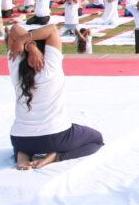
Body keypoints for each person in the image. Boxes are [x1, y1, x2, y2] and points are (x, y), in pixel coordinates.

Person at [6, 24, 104, 170]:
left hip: (19, 139)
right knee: (96, 139)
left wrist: (28, 46)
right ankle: (55, 156)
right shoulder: (51, 66)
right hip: (55, 138)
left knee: (30, 141)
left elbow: (14, 29)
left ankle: (22, 153)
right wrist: (29, 45)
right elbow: (52, 29)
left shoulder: (15, 63)